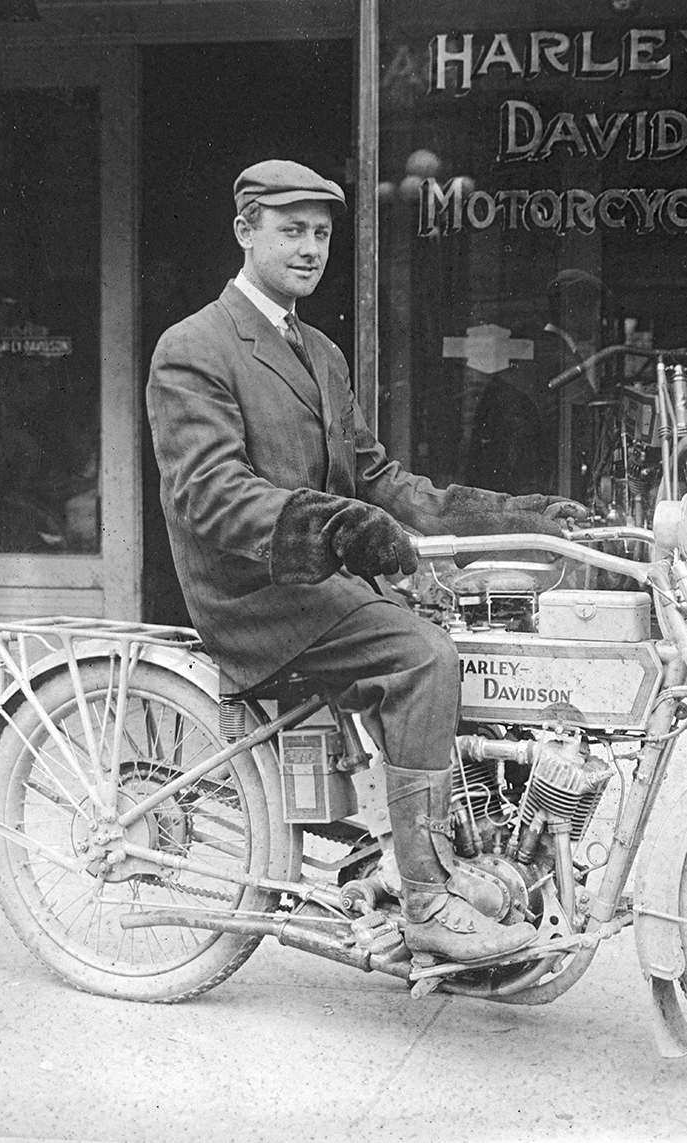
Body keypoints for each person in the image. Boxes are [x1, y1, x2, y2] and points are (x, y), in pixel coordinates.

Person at [147, 160, 583, 962]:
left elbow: (379, 478)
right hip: (257, 590)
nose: (311, 248)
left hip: (328, 580)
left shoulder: (319, 352)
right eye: (291, 230)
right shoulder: (196, 348)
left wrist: (518, 513)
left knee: (481, 635)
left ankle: (466, 845)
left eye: (321, 233)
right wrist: (343, 528)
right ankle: (425, 899)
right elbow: (212, 493)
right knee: (422, 656)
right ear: (245, 232)